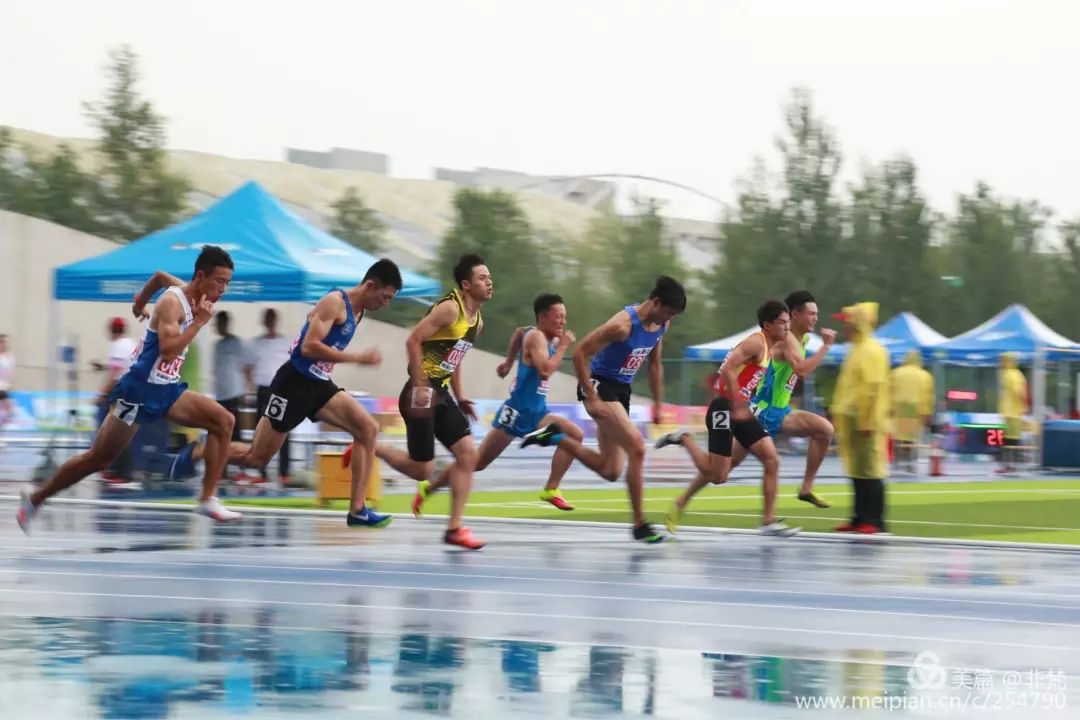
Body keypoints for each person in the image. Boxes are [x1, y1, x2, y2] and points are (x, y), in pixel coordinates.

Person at [17, 246, 243, 532]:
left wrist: (139, 304)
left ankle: (208, 498)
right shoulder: (174, 304)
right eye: (219, 281)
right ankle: (36, 498)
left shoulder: (189, 291)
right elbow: (169, 350)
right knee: (98, 459)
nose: (224, 289)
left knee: (224, 421)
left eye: (227, 283)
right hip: (138, 391)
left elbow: (160, 276)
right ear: (201, 276)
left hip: (167, 389)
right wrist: (198, 323)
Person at [186, 260, 403, 528]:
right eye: (385, 297)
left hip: (319, 384)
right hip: (293, 384)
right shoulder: (335, 302)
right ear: (371, 285)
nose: (386, 304)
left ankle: (357, 510)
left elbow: (316, 325)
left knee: (367, 429)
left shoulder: (358, 311)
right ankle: (201, 450)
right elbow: (309, 347)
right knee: (256, 458)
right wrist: (356, 357)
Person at [522, 276, 687, 544]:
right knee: (637, 448)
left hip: (621, 391)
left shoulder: (661, 324)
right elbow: (579, 354)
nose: (670, 319)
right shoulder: (622, 326)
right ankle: (639, 524)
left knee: (610, 471)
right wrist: (592, 396)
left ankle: (555, 437)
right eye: (668, 312)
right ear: (655, 302)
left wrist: (658, 403)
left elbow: (655, 364)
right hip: (599, 386)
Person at [412, 293, 586, 514]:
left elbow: (517, 333)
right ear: (542, 317)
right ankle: (430, 487)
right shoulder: (537, 338)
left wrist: (507, 362)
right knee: (476, 463)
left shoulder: (535, 335)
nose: (563, 321)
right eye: (558, 317)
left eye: (564, 317)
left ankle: (551, 489)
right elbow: (544, 371)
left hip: (537, 413)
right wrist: (563, 347)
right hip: (516, 414)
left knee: (575, 435)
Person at [374, 254, 493, 549]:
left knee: (469, 457)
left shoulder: (476, 321)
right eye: (482, 278)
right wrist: (419, 384)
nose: (489, 282)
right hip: (421, 391)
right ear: (466, 285)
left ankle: (455, 528)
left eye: (490, 278)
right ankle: (370, 445)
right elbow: (412, 340)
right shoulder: (450, 309)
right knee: (422, 470)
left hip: (442, 392)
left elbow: (455, 358)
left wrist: (461, 395)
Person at [656, 300, 798, 536]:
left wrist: (745, 404)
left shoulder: (770, 348)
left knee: (772, 459)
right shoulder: (756, 342)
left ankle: (768, 521)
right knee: (718, 476)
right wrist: (737, 402)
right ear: (768, 325)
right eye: (782, 323)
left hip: (742, 411)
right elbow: (727, 369)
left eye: (788, 323)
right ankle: (685, 438)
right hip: (724, 407)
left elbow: (747, 378)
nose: (787, 327)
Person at [746, 290, 837, 507]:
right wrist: (825, 347)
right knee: (721, 471)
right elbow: (802, 370)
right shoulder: (786, 339)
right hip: (765, 411)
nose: (816, 318)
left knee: (825, 430)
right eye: (811, 313)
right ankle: (685, 439)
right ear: (795, 315)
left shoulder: (802, 338)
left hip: (780, 410)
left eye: (817, 314)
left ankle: (805, 489)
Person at [831, 303, 890, 534]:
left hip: (866, 422)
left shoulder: (872, 351)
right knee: (857, 470)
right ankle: (859, 517)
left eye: (846, 321)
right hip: (852, 422)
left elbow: (872, 390)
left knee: (871, 470)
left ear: (856, 323)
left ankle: (874, 520)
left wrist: (866, 421)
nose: (843, 326)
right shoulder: (855, 349)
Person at [245, 308, 293, 483]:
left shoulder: (285, 343)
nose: (270, 321)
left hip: (281, 391)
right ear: (264, 321)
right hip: (263, 391)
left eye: (272, 318)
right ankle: (260, 471)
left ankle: (284, 471)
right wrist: (248, 388)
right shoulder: (255, 343)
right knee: (261, 432)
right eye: (267, 318)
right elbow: (248, 368)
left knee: (283, 429)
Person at [93, 317, 138, 481]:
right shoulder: (131, 344)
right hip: (134, 393)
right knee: (121, 432)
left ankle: (124, 474)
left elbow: (115, 374)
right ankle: (116, 470)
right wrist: (104, 366)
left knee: (117, 433)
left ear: (112, 331)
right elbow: (124, 366)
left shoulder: (117, 346)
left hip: (123, 394)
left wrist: (102, 395)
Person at [213, 311, 249, 477]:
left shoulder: (237, 343)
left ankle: (241, 468)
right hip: (220, 395)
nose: (218, 327)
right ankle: (223, 467)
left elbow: (245, 368)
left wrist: (246, 390)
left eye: (220, 323)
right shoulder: (217, 345)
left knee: (236, 433)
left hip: (234, 393)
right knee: (221, 432)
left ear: (225, 324)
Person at [889, 350, 934, 474]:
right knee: (912, 439)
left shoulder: (895, 373)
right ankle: (910, 464)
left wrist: (888, 410)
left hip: (898, 409)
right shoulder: (925, 375)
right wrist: (927, 414)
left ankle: (897, 462)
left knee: (898, 438)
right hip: (916, 411)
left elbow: (888, 392)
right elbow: (927, 397)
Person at [997, 352, 1029, 474]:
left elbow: (1018, 393)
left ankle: (1010, 465)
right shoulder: (1012, 374)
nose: (1001, 363)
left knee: (1010, 441)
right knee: (1009, 440)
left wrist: (1023, 408)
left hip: (1013, 413)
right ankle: (1009, 465)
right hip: (1010, 413)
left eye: (1003, 360)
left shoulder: (1012, 375)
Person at [0, 335, 15, 429]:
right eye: (2, 342)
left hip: (4, 387)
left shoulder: (10, 357)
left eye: (4, 342)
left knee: (8, 407)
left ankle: (6, 422)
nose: (3, 344)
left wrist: (9, 384)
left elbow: (9, 372)